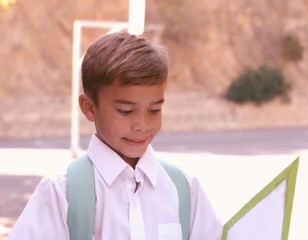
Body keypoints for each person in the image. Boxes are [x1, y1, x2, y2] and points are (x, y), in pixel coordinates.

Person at [7, 32, 222, 240]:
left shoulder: (185, 189)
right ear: (89, 108)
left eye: (154, 110)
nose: (142, 125)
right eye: (126, 112)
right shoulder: (61, 193)